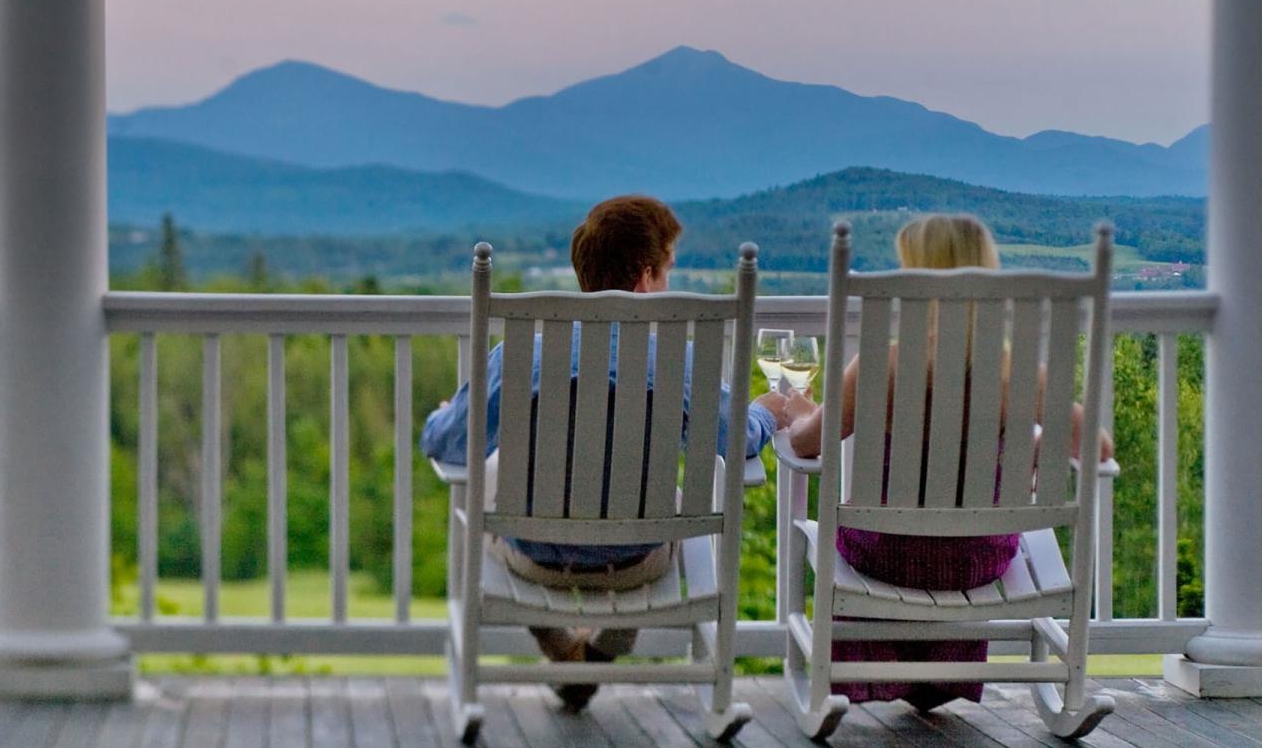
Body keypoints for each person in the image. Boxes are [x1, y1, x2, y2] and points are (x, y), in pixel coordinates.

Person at [422, 195, 788, 710]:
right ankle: (601, 651)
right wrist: (769, 410)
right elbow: (738, 439)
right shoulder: (676, 359)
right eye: (666, 273)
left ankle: (561, 650)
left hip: (534, 562)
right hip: (638, 564)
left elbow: (446, 443)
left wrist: (445, 413)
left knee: (490, 484)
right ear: (644, 276)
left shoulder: (523, 352)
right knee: (671, 497)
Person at [779, 213, 1114, 710]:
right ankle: (936, 680)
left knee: (840, 527)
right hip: (976, 561)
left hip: (883, 554)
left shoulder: (880, 363)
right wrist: (1043, 444)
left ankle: (871, 678)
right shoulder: (1018, 374)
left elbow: (807, 445)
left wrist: (797, 411)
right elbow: (1099, 448)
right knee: (967, 543)